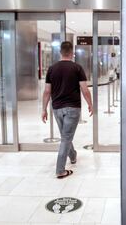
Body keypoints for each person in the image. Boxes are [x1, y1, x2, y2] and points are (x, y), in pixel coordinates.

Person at [42, 41, 93, 179]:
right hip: (73, 108)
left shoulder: (52, 69)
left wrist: (44, 109)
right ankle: (60, 170)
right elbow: (85, 89)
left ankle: (73, 155)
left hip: (57, 108)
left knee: (66, 136)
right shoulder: (77, 68)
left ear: (61, 52)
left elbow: (47, 91)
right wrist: (90, 104)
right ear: (72, 53)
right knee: (66, 138)